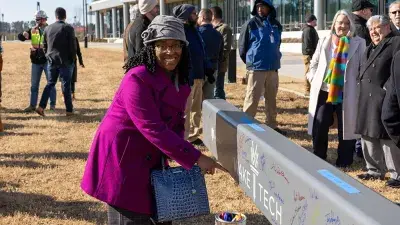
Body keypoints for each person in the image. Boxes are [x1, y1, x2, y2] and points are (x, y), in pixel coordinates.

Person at [80, 15, 226, 225]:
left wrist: (180, 152)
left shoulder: (180, 81)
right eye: (162, 45)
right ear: (151, 47)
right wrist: (195, 157)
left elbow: (176, 124)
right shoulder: (136, 78)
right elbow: (153, 127)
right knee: (131, 215)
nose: (170, 51)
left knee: (160, 214)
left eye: (176, 45)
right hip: (123, 158)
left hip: (152, 157)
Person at [306, 10, 366, 167]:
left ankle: (344, 161)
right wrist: (313, 79)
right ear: (334, 24)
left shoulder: (358, 42)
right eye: (340, 22)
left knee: (346, 127)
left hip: (347, 91)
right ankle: (319, 156)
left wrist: (358, 88)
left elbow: (362, 69)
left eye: (347, 23)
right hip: (324, 90)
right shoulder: (325, 40)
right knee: (319, 122)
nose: (343, 26)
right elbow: (313, 64)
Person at [355, 15, 400, 188]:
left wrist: (388, 89)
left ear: (388, 27)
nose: (373, 31)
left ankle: (397, 173)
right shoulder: (369, 48)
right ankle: (374, 169)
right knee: (368, 132)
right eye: (371, 28)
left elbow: (397, 70)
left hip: (385, 97)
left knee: (386, 136)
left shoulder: (395, 42)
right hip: (367, 97)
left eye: (377, 27)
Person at [238, 0, 285, 135]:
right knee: (252, 98)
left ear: (269, 8)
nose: (259, 9)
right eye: (257, 6)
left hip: (273, 68)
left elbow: (277, 44)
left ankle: (272, 125)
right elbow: (242, 47)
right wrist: (251, 61)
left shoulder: (276, 25)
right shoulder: (250, 24)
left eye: (262, 6)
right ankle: (245, 127)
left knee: (271, 98)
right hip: (256, 68)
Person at [173, 4, 215, 145]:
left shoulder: (195, 31)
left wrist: (208, 69)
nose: (196, 15)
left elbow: (202, 52)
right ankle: (182, 137)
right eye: (193, 13)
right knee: (185, 109)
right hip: (187, 77)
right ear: (185, 15)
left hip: (199, 76)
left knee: (196, 108)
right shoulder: (179, 32)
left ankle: (193, 135)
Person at [36, 7, 76, 117]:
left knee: (50, 84)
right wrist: (73, 58)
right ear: (65, 16)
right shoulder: (68, 28)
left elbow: (44, 45)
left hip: (51, 61)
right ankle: (69, 110)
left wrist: (47, 55)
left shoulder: (48, 28)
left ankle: (41, 106)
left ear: (56, 16)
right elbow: (73, 46)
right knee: (66, 85)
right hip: (65, 61)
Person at [18, 10, 56, 112]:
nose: (37, 21)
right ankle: (32, 105)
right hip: (35, 61)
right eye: (36, 19)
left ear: (44, 19)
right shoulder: (32, 30)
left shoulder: (50, 29)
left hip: (48, 61)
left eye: (39, 19)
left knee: (50, 83)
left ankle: (52, 106)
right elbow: (21, 37)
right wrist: (23, 34)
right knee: (34, 85)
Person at [197, 8, 223, 100]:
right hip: (213, 68)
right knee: (209, 100)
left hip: (199, 70)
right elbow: (221, 54)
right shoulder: (218, 35)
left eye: (198, 17)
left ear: (203, 17)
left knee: (196, 100)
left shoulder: (197, 33)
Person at [211, 6, 233, 100]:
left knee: (218, 89)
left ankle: (221, 109)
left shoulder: (225, 28)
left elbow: (226, 48)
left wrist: (216, 59)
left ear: (213, 16)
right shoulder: (213, 27)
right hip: (212, 64)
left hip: (219, 64)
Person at [301, 14, 319, 95]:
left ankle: (310, 89)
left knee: (310, 71)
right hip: (309, 55)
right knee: (308, 72)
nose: (316, 22)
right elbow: (308, 44)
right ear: (311, 21)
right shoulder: (308, 30)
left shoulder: (310, 29)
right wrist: (312, 55)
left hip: (310, 54)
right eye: (315, 21)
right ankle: (307, 90)